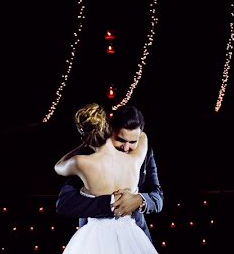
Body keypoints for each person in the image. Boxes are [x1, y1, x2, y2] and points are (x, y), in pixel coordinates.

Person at [54, 104, 163, 253]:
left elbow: (158, 197)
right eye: (120, 140)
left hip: (135, 237)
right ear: (109, 130)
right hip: (96, 240)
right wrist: (111, 203)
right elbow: (65, 204)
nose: (126, 148)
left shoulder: (79, 163)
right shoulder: (134, 159)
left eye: (133, 142)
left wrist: (139, 200)